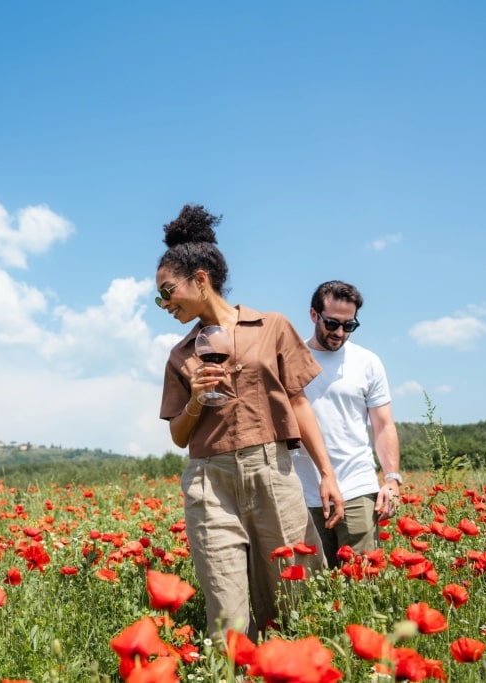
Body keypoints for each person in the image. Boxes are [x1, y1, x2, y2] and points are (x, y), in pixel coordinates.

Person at [155, 204, 344, 642]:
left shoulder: (272, 326)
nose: (164, 304)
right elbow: (179, 435)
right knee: (227, 615)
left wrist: (327, 473)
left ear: (200, 279)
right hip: (210, 483)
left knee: (293, 599)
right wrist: (198, 399)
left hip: (271, 474)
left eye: (167, 291)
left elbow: (297, 403)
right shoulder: (179, 355)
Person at [292, 280, 402, 568]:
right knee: (312, 592)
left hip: (357, 488)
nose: (340, 333)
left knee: (361, 583)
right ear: (313, 315)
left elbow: (383, 425)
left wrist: (391, 479)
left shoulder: (367, 362)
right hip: (304, 492)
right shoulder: (291, 359)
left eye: (349, 326)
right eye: (332, 323)